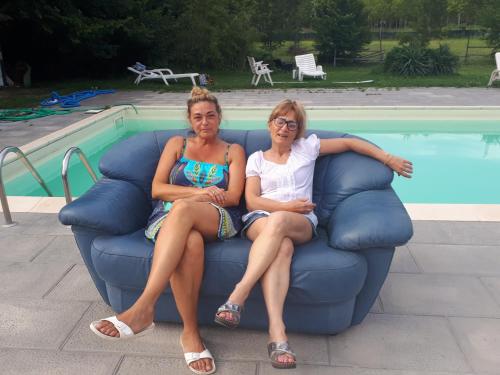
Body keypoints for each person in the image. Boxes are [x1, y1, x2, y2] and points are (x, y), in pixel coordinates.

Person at [214, 99, 413, 369]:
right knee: (281, 247)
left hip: (301, 221)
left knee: (282, 222)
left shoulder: (307, 148)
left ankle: (239, 294)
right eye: (280, 121)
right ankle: (277, 334)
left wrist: (388, 158)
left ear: (298, 131)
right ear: (270, 124)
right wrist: (285, 206)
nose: (284, 128)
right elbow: (252, 201)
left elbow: (350, 143)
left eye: (291, 124)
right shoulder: (257, 159)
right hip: (261, 219)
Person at [90, 87, 246, 375]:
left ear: (219, 117)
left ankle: (143, 307)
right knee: (191, 242)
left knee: (185, 209)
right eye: (198, 117)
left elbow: (234, 196)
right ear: (190, 119)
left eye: (210, 116)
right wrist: (198, 193)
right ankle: (191, 334)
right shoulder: (177, 144)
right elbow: (156, 188)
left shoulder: (232, 151)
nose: (204, 122)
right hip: (167, 217)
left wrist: (192, 199)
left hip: (218, 216)